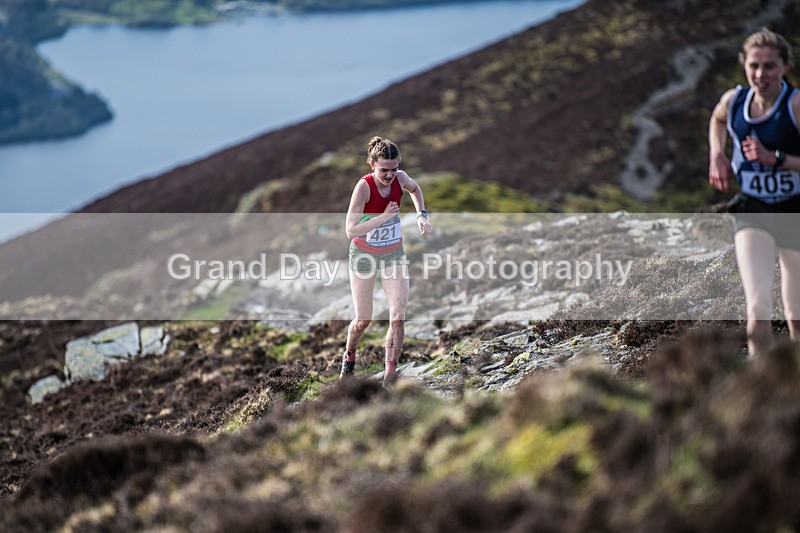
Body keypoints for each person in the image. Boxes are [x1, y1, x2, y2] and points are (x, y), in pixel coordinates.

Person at [708, 27, 800, 356]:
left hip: (794, 213)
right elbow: (717, 121)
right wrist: (716, 154)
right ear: (744, 65)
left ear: (785, 67)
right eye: (754, 65)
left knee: (796, 318)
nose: (761, 74)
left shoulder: (795, 105)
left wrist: (775, 159)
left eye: (769, 66)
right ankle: (759, 393)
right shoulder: (734, 101)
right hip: (753, 212)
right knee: (758, 312)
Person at [341, 137, 432, 383]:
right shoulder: (364, 187)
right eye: (384, 170)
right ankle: (349, 357)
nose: (390, 175)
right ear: (372, 165)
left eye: (393, 169)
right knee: (363, 320)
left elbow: (415, 189)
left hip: (393, 254)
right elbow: (351, 230)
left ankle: (389, 377)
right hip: (363, 255)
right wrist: (382, 218)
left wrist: (421, 215)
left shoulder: (400, 178)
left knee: (398, 315)